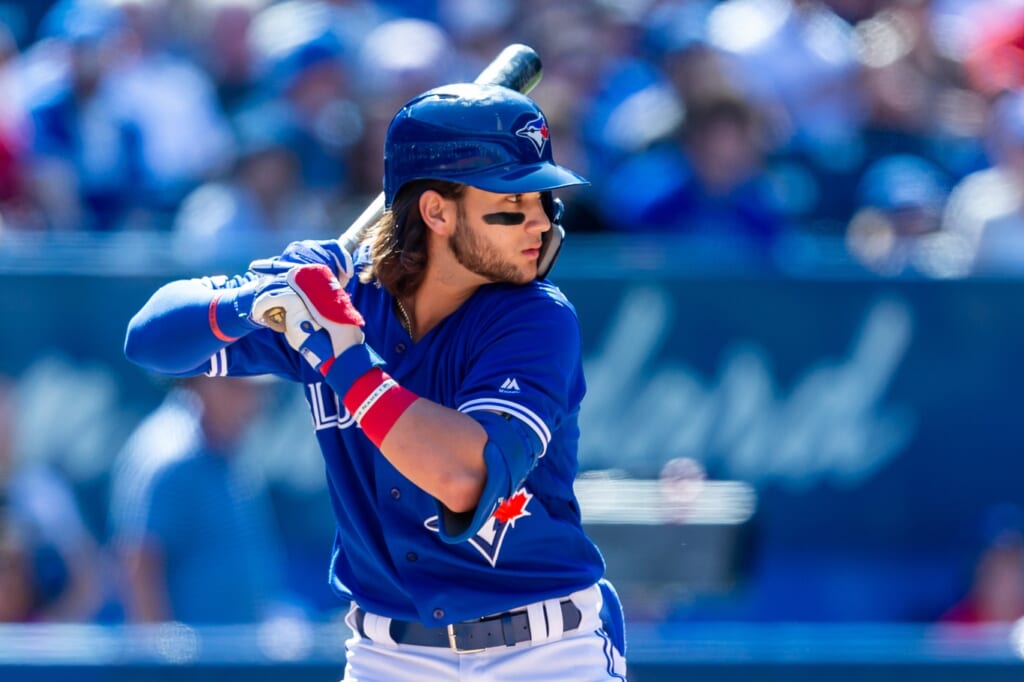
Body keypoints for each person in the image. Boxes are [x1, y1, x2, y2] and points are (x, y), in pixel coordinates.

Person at [123, 82, 627, 680]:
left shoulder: (536, 317)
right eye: (512, 203)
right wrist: (256, 300)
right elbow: (150, 340)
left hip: (543, 650)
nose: (539, 223)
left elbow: (462, 476)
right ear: (436, 212)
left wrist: (341, 357)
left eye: (543, 199)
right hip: (390, 655)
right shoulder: (337, 302)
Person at [108, 374, 298, 624]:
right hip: (190, 659)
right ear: (200, 383)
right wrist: (161, 658)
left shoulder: (229, 451)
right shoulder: (170, 456)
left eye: (257, 393)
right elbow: (138, 562)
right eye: (238, 388)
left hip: (235, 655)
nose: (252, 405)